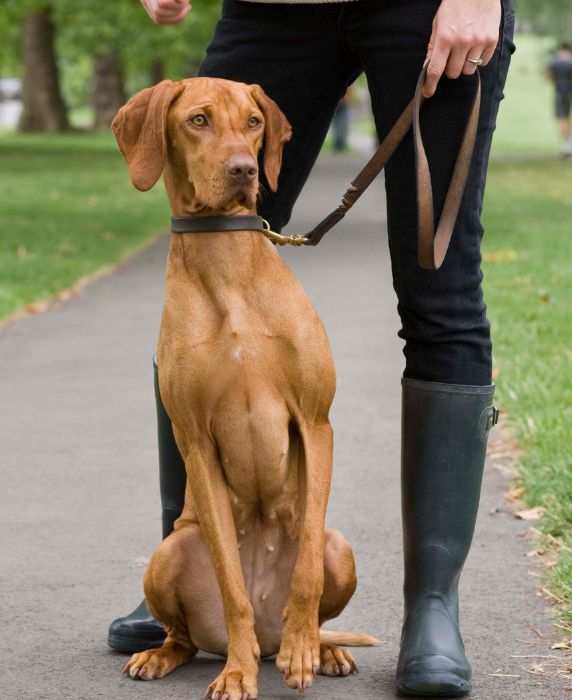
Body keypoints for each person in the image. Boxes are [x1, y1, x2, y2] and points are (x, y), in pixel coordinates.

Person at [107, 0, 515, 696]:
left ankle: (433, 607)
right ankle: (196, 563)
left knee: (439, 286)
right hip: (273, 9)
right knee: (207, 259)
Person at [547, 42, 572, 159]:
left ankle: (565, 146)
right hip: (570, 92)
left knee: (562, 118)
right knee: (568, 117)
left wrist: (557, 81)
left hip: (559, 92)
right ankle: (569, 145)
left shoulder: (555, 61)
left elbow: (549, 76)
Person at [330, 89, 351, 153]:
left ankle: (341, 144)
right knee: (337, 126)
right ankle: (337, 144)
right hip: (337, 105)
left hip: (343, 105)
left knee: (342, 124)